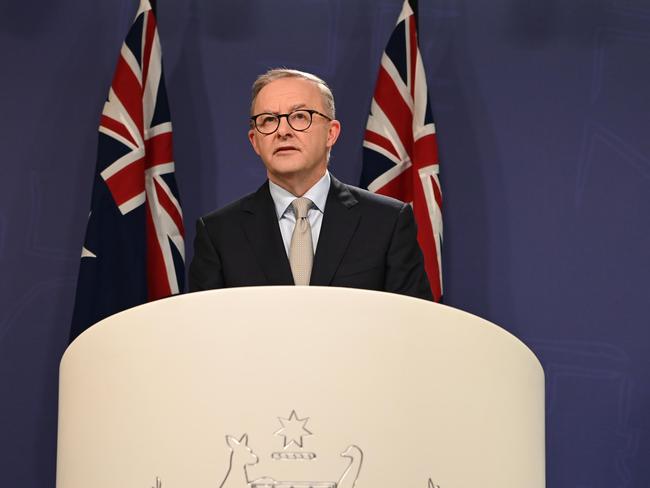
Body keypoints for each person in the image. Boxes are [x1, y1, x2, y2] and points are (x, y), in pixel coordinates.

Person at [188, 68, 432, 300]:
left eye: (300, 116)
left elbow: (413, 325)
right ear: (254, 141)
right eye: (268, 120)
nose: (283, 131)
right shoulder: (219, 234)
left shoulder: (387, 222)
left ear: (331, 133)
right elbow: (208, 331)